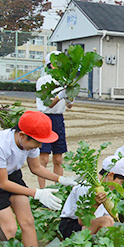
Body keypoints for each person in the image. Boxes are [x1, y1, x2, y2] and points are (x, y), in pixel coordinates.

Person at [0, 111, 78, 247]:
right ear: (22, 135)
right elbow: (3, 183)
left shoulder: (30, 143)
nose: (39, 146)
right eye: (38, 142)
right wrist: (37, 193)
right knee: (9, 228)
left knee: (27, 221)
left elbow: (36, 168)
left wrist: (61, 179)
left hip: (12, 175)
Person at [59, 156, 124, 239]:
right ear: (110, 175)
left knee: (110, 223)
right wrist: (95, 204)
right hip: (72, 226)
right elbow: (82, 221)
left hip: (92, 224)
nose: (120, 185)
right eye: (121, 182)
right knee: (107, 221)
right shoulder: (85, 187)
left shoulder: (106, 187)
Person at [36, 51, 73, 189]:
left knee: (58, 159)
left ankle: (58, 189)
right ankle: (42, 191)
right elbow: (48, 104)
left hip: (58, 119)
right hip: (44, 119)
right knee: (44, 159)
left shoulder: (65, 81)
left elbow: (69, 106)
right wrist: (60, 95)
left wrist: (70, 98)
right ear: (51, 65)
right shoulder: (42, 81)